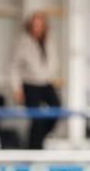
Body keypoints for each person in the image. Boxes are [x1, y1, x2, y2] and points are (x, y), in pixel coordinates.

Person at [9, 11, 61, 149]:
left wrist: (52, 74)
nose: (37, 28)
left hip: (46, 83)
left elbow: (53, 60)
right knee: (36, 117)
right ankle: (35, 147)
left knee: (57, 110)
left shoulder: (49, 40)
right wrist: (16, 88)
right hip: (30, 84)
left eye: (39, 25)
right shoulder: (22, 42)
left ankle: (36, 140)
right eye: (34, 25)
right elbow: (14, 66)